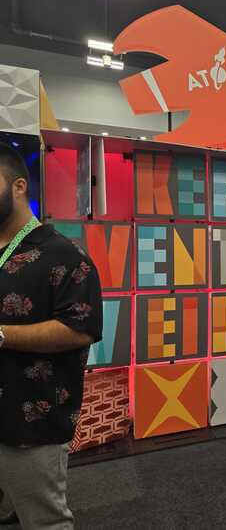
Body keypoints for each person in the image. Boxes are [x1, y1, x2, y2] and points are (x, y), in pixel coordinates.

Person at [0, 143, 102, 529]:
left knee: (43, 520)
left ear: (19, 187)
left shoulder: (63, 255)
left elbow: (80, 329)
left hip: (31, 423)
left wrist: (1, 335)